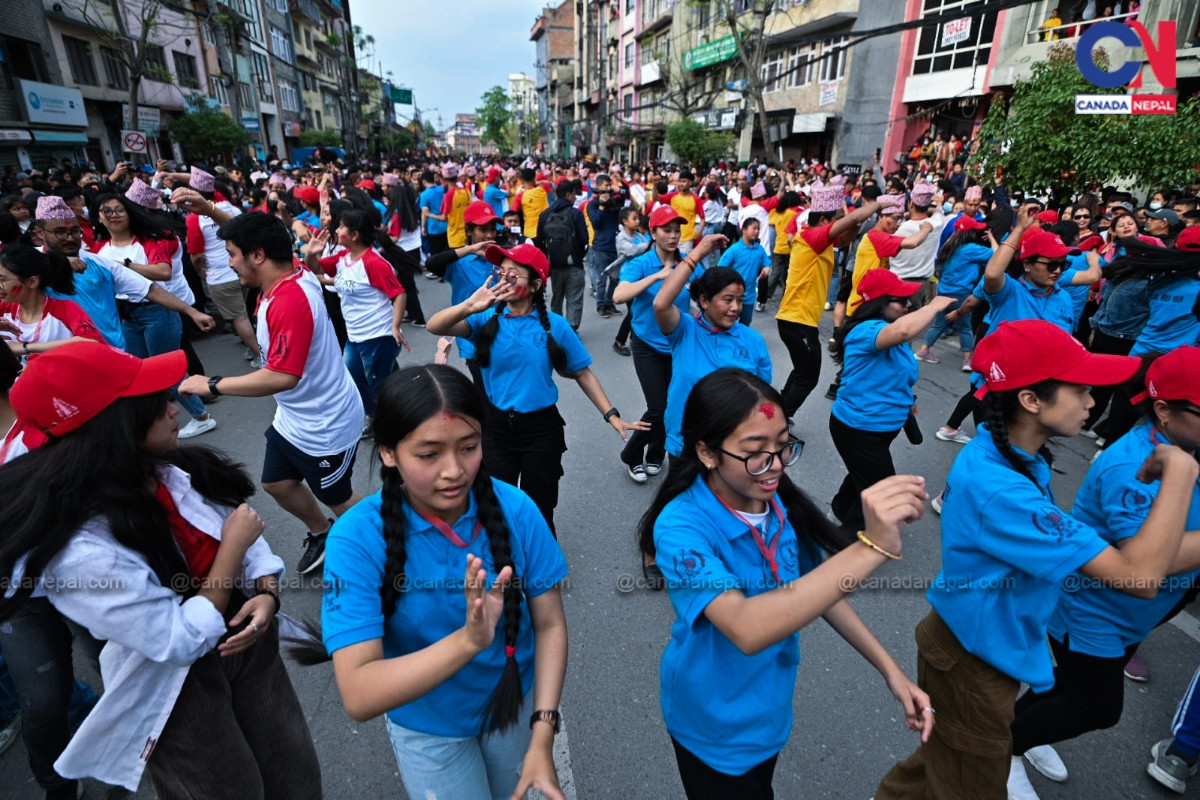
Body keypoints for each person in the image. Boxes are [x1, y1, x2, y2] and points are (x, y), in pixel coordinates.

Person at [875, 319, 1199, 800]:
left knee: (942, 764)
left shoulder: (1017, 456)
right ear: (1030, 400)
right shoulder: (1003, 488)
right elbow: (1141, 576)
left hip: (984, 644)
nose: (1094, 401)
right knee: (971, 783)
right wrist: (1180, 467)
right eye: (1082, 389)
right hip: (973, 661)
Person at [0, 342, 320, 799]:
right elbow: (178, 639)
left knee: (291, 765)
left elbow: (239, 528)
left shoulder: (171, 469)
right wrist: (232, 552)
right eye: (159, 403)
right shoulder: (82, 551)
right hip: (176, 683)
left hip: (248, 641)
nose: (176, 410)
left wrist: (267, 592)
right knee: (222, 786)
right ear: (113, 427)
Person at [641, 368, 932, 799]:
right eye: (756, 451)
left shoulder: (773, 503)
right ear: (706, 452)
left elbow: (817, 592)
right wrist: (871, 548)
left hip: (769, 709)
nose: (775, 466)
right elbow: (747, 627)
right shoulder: (682, 529)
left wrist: (891, 671)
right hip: (712, 724)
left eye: (782, 445)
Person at [312, 364, 567, 800]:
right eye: (429, 455)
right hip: (427, 729)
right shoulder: (356, 537)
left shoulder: (517, 509)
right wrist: (469, 641)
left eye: (469, 447)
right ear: (389, 452)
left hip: (513, 707)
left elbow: (549, 624)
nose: (455, 470)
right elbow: (359, 692)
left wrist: (543, 732)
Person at [1005, 346, 1200, 799]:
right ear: (1164, 411)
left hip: (1134, 615)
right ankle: (1004, 749)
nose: (1090, 402)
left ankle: (1023, 734)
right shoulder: (1132, 466)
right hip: (1091, 611)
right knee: (1095, 707)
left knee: (1065, 686)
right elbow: (1147, 565)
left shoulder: (1187, 444)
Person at [181, 212, 364, 576]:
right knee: (276, 483)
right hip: (294, 418)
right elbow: (259, 228)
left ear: (258, 256)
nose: (229, 261)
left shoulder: (289, 300)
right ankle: (322, 532)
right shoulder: (288, 271)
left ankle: (395, 541)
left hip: (325, 425)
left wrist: (212, 384)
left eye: (233, 253)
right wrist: (209, 206)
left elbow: (282, 377)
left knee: (338, 498)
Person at [427, 243, 644, 535]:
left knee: (540, 506)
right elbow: (434, 326)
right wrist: (470, 305)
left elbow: (582, 373)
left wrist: (612, 415)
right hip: (496, 429)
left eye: (513, 275)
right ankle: (506, 561)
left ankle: (542, 565)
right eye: (501, 272)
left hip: (541, 430)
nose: (504, 280)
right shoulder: (484, 319)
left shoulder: (555, 326)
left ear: (535, 285)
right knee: (498, 502)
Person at [828, 269, 955, 532]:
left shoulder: (889, 331)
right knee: (881, 491)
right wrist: (934, 306)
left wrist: (908, 399)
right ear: (878, 303)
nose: (908, 305)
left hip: (882, 426)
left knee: (863, 474)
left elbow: (896, 371)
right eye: (900, 300)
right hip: (858, 427)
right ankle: (846, 541)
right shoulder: (867, 330)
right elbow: (904, 331)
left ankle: (840, 510)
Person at [93, 189, 216, 439]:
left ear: (129, 213)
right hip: (126, 317)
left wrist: (124, 267)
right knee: (139, 371)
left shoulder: (147, 240)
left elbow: (163, 272)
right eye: (107, 211)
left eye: (119, 210)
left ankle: (202, 417)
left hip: (158, 311)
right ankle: (153, 421)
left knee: (165, 371)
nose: (114, 216)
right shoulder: (97, 249)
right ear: (99, 217)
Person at [34, 194, 216, 351]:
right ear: (39, 232)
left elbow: (149, 288)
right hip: (59, 355)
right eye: (60, 233)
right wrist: (59, 262)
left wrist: (192, 312)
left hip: (111, 348)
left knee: (165, 378)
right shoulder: (29, 263)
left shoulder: (99, 261)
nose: (70, 238)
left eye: (75, 231)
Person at [652, 242, 773, 464]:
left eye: (739, 299)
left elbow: (763, 395)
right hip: (686, 441)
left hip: (733, 448)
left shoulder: (753, 340)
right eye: (727, 300)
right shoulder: (684, 330)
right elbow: (660, 304)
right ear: (705, 301)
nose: (736, 307)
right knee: (683, 497)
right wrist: (697, 253)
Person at [775, 191, 880, 420]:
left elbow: (846, 236)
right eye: (836, 218)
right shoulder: (812, 237)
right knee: (808, 376)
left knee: (802, 371)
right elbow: (851, 220)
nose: (839, 222)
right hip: (797, 319)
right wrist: (878, 204)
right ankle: (780, 421)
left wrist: (857, 222)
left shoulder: (818, 239)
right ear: (824, 221)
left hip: (798, 319)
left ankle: (779, 413)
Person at [305, 209, 409, 417]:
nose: (337, 230)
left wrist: (395, 326)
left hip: (377, 335)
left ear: (354, 235)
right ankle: (375, 416)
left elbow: (399, 294)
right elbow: (314, 269)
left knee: (378, 385)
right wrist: (311, 252)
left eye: (342, 226)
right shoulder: (343, 258)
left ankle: (390, 424)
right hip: (355, 335)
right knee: (354, 379)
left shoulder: (373, 262)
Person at [181, 167, 260, 364]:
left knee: (239, 318)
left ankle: (262, 357)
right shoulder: (231, 207)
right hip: (243, 271)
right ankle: (257, 348)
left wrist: (201, 273)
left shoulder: (194, 218)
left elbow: (196, 256)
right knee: (245, 312)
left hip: (219, 276)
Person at [425, 200, 502, 390]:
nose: (490, 235)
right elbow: (431, 264)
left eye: (493, 229)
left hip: (505, 332)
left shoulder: (502, 257)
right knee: (485, 393)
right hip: (474, 337)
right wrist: (471, 249)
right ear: (469, 231)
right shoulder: (459, 262)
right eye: (483, 229)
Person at [915, 215, 993, 374]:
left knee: (938, 324)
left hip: (943, 291)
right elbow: (996, 254)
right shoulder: (970, 249)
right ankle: (967, 360)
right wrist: (992, 239)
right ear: (970, 234)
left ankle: (923, 350)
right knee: (965, 326)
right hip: (961, 293)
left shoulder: (949, 246)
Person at [0, 244, 104, 360]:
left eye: (2, 280)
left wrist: (26, 347)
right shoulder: (3, 309)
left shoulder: (65, 308)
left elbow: (92, 342)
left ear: (32, 282)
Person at [536, 181, 589, 331]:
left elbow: (539, 241)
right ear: (568, 195)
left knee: (556, 298)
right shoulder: (575, 214)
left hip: (554, 266)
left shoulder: (545, 214)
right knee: (575, 299)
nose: (575, 197)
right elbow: (584, 239)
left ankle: (556, 328)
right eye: (573, 194)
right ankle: (571, 329)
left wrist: (549, 260)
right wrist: (577, 256)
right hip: (574, 265)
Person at [710, 216, 770, 326]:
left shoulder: (759, 249)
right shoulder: (735, 249)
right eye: (754, 228)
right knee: (727, 322)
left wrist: (765, 272)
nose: (756, 231)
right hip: (732, 296)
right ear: (744, 230)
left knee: (745, 323)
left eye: (758, 229)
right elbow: (721, 267)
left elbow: (767, 264)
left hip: (749, 296)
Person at [608, 206, 651, 356]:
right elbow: (632, 250)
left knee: (639, 308)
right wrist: (647, 245)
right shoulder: (621, 238)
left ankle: (635, 339)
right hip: (628, 277)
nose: (637, 221)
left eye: (638, 218)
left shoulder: (639, 235)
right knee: (633, 311)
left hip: (642, 276)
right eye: (634, 218)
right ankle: (619, 341)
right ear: (625, 221)